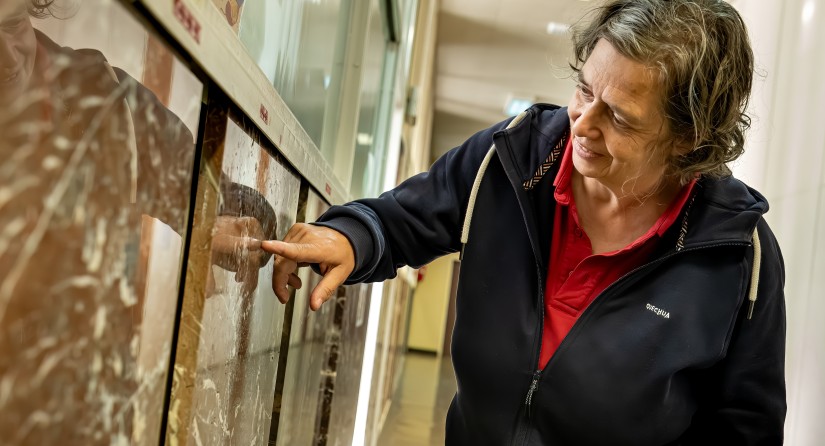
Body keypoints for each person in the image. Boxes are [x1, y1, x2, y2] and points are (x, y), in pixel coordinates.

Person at [263, 0, 787, 444]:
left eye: (620, 118)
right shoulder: (513, 157)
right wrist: (348, 237)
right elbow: (405, 218)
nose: (582, 124)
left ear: (688, 140)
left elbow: (746, 428)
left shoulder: (739, 256)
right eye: (584, 91)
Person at [0, 0, 275, 443]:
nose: (8, 57)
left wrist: (237, 224)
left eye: (12, 25)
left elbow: (211, 190)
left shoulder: (101, 99)